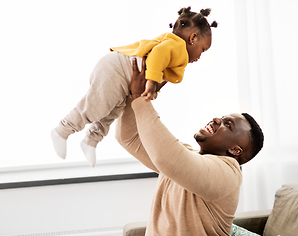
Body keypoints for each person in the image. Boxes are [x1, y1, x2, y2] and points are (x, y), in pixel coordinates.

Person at [115, 57, 264, 236]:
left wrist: (141, 99)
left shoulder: (229, 174)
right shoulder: (188, 156)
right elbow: (130, 138)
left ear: (235, 150)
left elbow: (167, 157)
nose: (217, 119)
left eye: (228, 124)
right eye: (222, 117)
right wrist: (134, 95)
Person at [51, 7, 218, 167]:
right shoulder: (177, 46)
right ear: (193, 38)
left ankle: (91, 141)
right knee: (95, 107)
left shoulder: (174, 48)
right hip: (117, 70)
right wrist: (151, 83)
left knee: (112, 112)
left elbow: (161, 67)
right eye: (203, 50)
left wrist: (154, 86)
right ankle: (62, 130)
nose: (200, 56)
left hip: (123, 77)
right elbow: (157, 56)